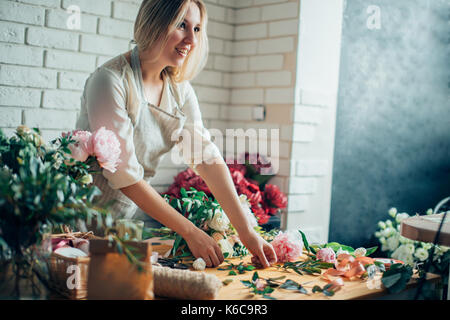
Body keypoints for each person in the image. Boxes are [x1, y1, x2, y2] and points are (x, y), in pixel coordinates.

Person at [76, 0, 277, 268]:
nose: (191, 39)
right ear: (155, 22)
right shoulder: (109, 81)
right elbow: (124, 175)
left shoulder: (179, 88)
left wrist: (247, 233)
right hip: (75, 219)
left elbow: (207, 158)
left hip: (119, 222)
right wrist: (191, 232)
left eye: (197, 28)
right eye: (182, 25)